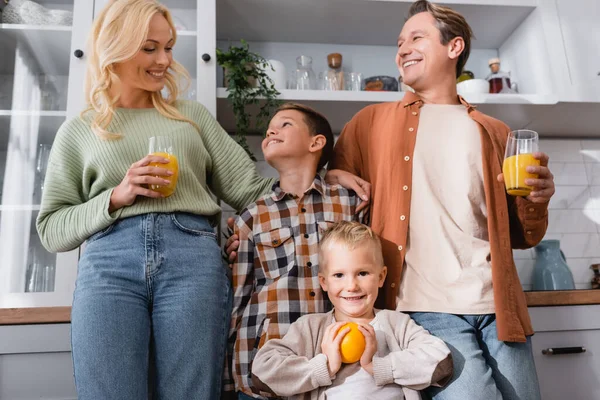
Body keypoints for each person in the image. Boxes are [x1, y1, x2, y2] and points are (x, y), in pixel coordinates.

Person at [35, 0, 277, 398]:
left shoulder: (191, 117)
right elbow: (51, 230)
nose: (164, 59)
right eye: (150, 48)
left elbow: (252, 192)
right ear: (114, 47)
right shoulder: (79, 131)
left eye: (168, 47)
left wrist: (319, 172)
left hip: (193, 261)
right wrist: (116, 196)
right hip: (108, 264)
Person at [325, 1, 556, 399]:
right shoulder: (369, 123)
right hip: (425, 309)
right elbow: (331, 195)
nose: (402, 49)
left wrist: (537, 199)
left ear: (454, 48)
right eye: (399, 42)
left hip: (498, 305)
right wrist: (333, 172)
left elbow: (522, 235)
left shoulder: (494, 130)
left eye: (416, 37)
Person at [226, 103, 365, 400]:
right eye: (268, 130)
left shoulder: (350, 205)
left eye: (285, 124)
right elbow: (237, 299)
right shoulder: (252, 217)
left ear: (316, 143)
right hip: (265, 368)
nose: (271, 131)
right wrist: (227, 379)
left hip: (341, 365)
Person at [251, 221, 453, 400]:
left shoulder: (396, 323)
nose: (352, 286)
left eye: (362, 273)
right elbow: (262, 373)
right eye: (339, 275)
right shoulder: (311, 328)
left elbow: (441, 362)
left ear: (381, 277)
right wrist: (325, 366)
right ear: (324, 281)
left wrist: (378, 366)